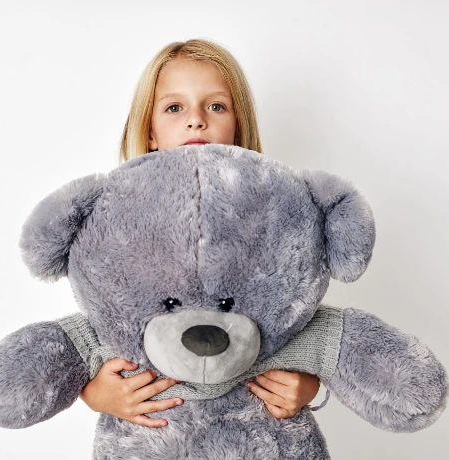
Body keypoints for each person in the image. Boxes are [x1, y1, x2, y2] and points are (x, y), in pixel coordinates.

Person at [80, 38, 321, 428]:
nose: (196, 120)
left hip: (256, 430)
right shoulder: (118, 216)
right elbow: (100, 316)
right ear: (150, 131)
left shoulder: (274, 213)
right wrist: (91, 393)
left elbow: (298, 316)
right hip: (152, 433)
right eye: (174, 107)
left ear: (238, 126)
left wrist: (310, 385)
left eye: (216, 106)